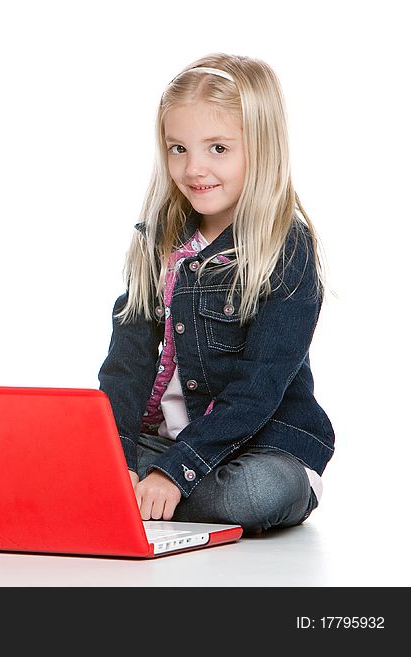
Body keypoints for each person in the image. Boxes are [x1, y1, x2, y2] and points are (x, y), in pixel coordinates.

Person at [98, 53, 334, 535]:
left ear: (261, 148)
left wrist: (175, 472)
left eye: (218, 149)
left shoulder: (286, 249)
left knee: (257, 493)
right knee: (74, 457)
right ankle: (130, 487)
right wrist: (116, 457)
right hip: (167, 442)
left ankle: (141, 495)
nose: (194, 168)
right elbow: (127, 362)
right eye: (178, 148)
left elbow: (259, 389)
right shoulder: (158, 240)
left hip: (261, 446)